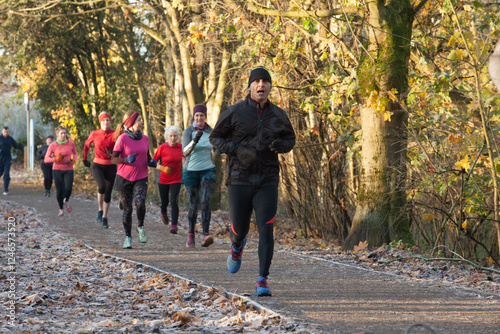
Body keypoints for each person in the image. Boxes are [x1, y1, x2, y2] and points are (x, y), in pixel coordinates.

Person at [209, 66, 295, 297]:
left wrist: (281, 145)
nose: (261, 85)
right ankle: (237, 247)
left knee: (267, 229)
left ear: (269, 87)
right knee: (239, 229)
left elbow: (290, 138)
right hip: (239, 179)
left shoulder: (278, 115)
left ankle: (262, 279)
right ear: (249, 87)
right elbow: (215, 137)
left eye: (265, 82)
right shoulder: (235, 112)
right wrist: (236, 150)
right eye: (256, 81)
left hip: (267, 180)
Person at [111, 111, 157, 249]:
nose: (141, 122)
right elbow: (113, 159)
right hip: (124, 177)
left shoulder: (145, 139)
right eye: (139, 120)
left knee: (140, 203)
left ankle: (140, 226)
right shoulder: (122, 139)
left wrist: (152, 161)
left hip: (141, 176)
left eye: (141, 120)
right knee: (128, 209)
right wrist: (125, 159)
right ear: (130, 124)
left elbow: (147, 156)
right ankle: (128, 238)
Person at [182, 104, 216, 248]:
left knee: (205, 200)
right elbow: (185, 152)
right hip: (190, 171)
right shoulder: (188, 131)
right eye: (197, 116)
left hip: (208, 169)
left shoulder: (211, 131)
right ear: (194, 117)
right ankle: (191, 234)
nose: (199, 118)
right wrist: (195, 140)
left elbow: (218, 150)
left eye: (202, 115)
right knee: (193, 205)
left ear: (205, 117)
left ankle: (205, 234)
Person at [82, 112, 117, 228]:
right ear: (100, 122)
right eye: (103, 120)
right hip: (98, 165)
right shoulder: (95, 133)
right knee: (101, 186)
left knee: (108, 193)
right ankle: (100, 209)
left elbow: (121, 147)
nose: (106, 122)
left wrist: (115, 154)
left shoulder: (115, 134)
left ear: (110, 121)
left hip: (111, 165)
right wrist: (85, 159)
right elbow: (87, 145)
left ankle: (105, 217)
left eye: (108, 120)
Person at [153, 125, 184, 234]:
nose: (173, 138)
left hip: (176, 179)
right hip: (163, 179)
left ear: (178, 137)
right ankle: (163, 212)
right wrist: (162, 168)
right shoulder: (162, 148)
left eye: (175, 136)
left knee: (174, 201)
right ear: (167, 137)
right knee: (164, 201)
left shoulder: (181, 147)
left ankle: (174, 225)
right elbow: (152, 162)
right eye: (170, 136)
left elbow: (185, 160)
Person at [44, 126, 78, 216]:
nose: (63, 135)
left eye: (64, 133)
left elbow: (75, 153)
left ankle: (66, 200)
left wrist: (73, 160)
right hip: (57, 169)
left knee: (68, 188)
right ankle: (61, 209)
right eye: (61, 133)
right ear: (57, 135)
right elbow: (46, 159)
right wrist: (55, 158)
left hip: (68, 169)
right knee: (59, 191)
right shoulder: (53, 145)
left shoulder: (71, 143)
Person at [0, 126, 19, 195]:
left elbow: (16, 145)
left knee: (7, 174)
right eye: (5, 132)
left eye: (7, 132)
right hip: (0, 158)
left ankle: (6, 189)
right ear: (2, 132)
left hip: (7, 158)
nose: (6, 133)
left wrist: (16, 150)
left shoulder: (10, 138)